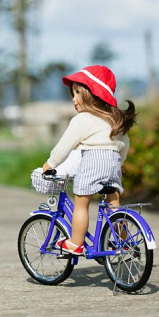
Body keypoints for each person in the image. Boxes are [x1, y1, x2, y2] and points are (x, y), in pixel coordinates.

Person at [42, 65, 137, 255]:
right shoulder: (114, 119)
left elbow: (64, 145)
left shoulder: (83, 119)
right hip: (113, 164)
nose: (74, 99)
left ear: (92, 93)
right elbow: (124, 143)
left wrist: (50, 164)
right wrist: (122, 163)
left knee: (81, 202)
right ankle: (124, 241)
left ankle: (75, 243)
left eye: (78, 92)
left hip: (93, 163)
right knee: (113, 205)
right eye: (72, 94)